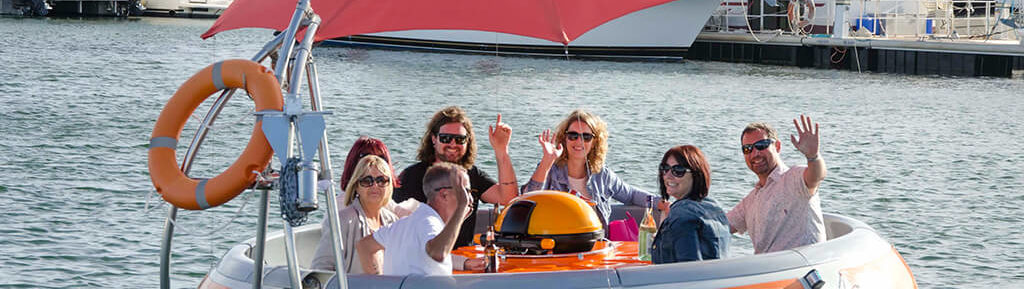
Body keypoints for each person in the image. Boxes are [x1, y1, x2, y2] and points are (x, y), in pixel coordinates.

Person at [392, 106, 518, 248]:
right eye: (446, 138)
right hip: (425, 257)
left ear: (467, 142)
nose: (453, 144)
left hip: (465, 259)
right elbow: (398, 226)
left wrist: (501, 150)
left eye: (460, 139)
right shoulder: (411, 177)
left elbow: (508, 198)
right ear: (434, 139)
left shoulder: (472, 175)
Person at [521, 109, 660, 231]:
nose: (579, 141)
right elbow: (528, 199)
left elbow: (631, 195)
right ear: (564, 139)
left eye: (586, 137)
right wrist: (546, 161)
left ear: (595, 142)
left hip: (598, 247)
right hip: (559, 247)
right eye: (573, 136)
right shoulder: (550, 170)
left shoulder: (602, 175)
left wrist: (664, 203)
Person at [726, 115, 828, 254]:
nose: (755, 153)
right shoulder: (751, 200)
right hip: (769, 271)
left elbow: (816, 176)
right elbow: (721, 226)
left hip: (802, 268)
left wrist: (813, 156)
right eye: (747, 149)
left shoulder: (793, 179)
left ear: (777, 146)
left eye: (761, 146)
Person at [357, 162, 473, 275]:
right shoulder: (430, 222)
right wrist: (461, 207)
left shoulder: (404, 224)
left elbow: (365, 246)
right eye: (465, 192)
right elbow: (437, 253)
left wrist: (379, 284)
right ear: (444, 195)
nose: (469, 198)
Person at [310, 155, 399, 273]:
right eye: (367, 181)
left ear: (389, 185)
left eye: (381, 180)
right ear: (356, 186)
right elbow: (320, 269)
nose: (375, 186)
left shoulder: (394, 221)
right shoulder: (341, 222)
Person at [650, 145, 730, 264]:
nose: (668, 176)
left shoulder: (681, 215)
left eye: (678, 171)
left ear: (696, 175)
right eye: (665, 168)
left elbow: (689, 269)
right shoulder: (714, 208)